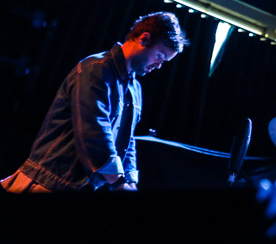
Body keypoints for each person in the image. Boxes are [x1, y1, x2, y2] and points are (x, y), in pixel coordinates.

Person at [1, 11, 188, 192]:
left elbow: (127, 140)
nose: (159, 65)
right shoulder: (96, 69)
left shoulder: (135, 88)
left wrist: (130, 179)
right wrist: (118, 182)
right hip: (49, 181)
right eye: (160, 56)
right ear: (144, 39)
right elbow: (94, 130)